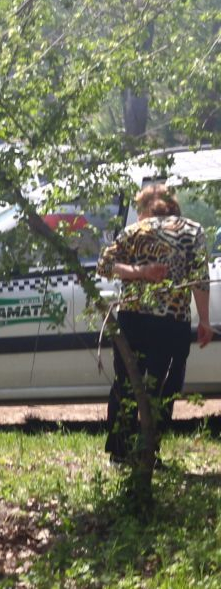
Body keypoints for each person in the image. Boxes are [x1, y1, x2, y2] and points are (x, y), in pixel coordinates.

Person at [99, 184, 212, 465]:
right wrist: (205, 321)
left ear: (145, 207)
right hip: (171, 322)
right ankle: (149, 450)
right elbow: (199, 278)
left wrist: (139, 272)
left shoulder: (134, 231)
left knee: (126, 382)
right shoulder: (193, 230)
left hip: (132, 318)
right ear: (172, 205)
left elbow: (104, 265)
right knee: (163, 387)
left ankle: (120, 451)